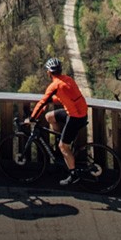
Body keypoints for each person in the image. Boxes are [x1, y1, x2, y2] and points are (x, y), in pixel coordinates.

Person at [25, 57, 89, 186]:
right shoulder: (68, 80)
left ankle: (73, 174)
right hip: (80, 113)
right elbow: (65, 97)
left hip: (75, 117)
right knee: (49, 117)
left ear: (49, 72)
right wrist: (50, 101)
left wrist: (32, 118)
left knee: (63, 146)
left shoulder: (54, 85)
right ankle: (62, 142)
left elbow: (42, 101)